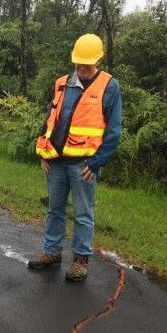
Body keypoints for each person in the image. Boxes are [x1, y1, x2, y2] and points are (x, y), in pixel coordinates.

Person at [28, 33, 122, 281]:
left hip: (84, 164)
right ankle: (51, 252)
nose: (81, 68)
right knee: (54, 208)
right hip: (56, 159)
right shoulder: (62, 83)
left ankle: (80, 260)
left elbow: (113, 130)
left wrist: (97, 161)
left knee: (82, 212)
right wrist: (42, 151)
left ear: (97, 60)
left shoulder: (109, 86)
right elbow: (49, 119)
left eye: (86, 64)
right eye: (78, 63)